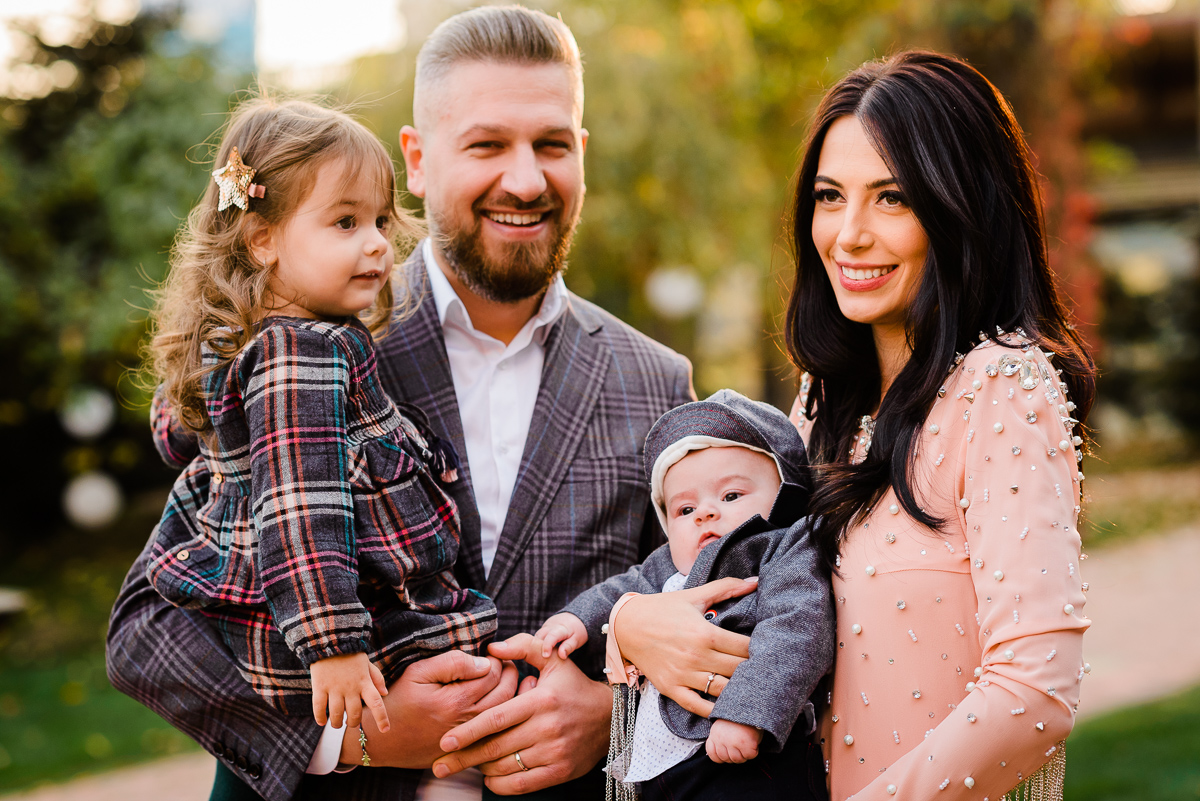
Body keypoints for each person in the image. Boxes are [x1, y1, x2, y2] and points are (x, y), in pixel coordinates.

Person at [107, 7, 714, 801]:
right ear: (418, 161)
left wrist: (614, 718)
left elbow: (716, 611)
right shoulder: (306, 344)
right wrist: (355, 734)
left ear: (582, 155)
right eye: (487, 145)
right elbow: (146, 630)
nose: (526, 180)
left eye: (552, 144)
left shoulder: (656, 381)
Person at [608, 51, 1096, 801]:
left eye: (892, 198)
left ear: (962, 208)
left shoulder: (1001, 387)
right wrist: (632, 623)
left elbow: (1035, 690)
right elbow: (747, 582)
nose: (849, 234)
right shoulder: (825, 402)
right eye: (830, 196)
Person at [141, 97, 497, 740]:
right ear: (262, 240)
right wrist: (333, 644)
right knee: (488, 674)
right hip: (349, 628)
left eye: (381, 220)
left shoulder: (236, 343)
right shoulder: (301, 352)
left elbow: (180, 438)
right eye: (345, 222)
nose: (377, 243)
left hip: (289, 619)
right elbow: (299, 503)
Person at [536, 389, 832, 801]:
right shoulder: (668, 567)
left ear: (785, 498)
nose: (705, 513)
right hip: (663, 765)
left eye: (731, 496)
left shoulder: (783, 548)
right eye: (685, 509)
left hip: (745, 755)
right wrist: (576, 620)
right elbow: (620, 590)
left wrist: (747, 714)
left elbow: (797, 632)